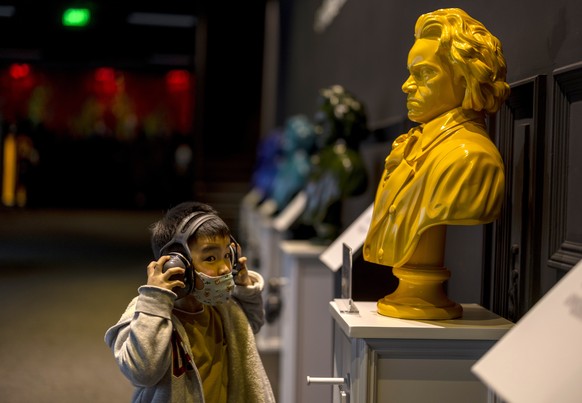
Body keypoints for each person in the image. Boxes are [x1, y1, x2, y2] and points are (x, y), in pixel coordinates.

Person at [362, 8, 510, 318]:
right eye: (410, 72)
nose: (407, 85)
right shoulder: (414, 146)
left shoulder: (470, 159)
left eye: (423, 73)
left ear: (465, 78)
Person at [105, 201, 276, 403]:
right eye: (211, 258)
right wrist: (155, 301)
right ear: (178, 264)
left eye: (227, 256)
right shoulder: (144, 314)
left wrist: (246, 288)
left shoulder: (223, 307)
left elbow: (251, 326)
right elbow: (142, 372)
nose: (224, 268)